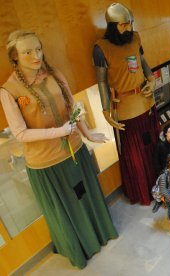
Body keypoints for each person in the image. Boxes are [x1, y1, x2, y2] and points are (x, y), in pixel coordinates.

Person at [1, 29, 118, 268]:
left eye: (38, 49)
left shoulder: (53, 73)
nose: (36, 55)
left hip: (76, 152)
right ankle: (79, 248)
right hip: (47, 164)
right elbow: (21, 133)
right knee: (67, 209)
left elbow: (72, 106)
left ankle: (101, 233)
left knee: (87, 197)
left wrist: (86, 133)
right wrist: (61, 132)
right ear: (15, 57)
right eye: (27, 52)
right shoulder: (8, 91)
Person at [93, 3, 159, 205]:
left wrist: (151, 79)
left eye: (130, 23)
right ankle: (142, 191)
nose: (128, 28)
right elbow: (102, 81)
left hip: (145, 101)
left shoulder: (136, 37)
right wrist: (105, 110)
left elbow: (142, 61)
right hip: (125, 108)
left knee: (154, 146)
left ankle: (161, 185)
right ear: (113, 26)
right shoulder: (101, 48)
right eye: (123, 25)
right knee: (135, 156)